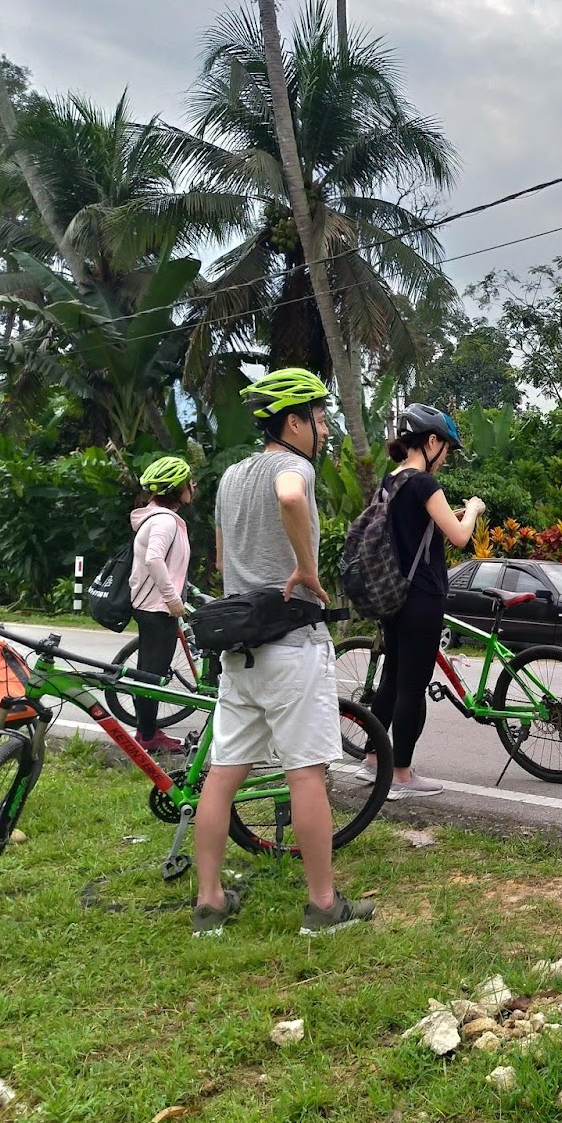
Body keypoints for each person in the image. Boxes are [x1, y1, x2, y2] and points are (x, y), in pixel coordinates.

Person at [191, 366, 374, 937]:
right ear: (293, 423)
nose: (323, 431)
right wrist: (306, 567)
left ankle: (210, 900)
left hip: (240, 648)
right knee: (307, 773)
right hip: (292, 647)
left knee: (222, 775)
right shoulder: (292, 466)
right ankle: (323, 905)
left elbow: (222, 562)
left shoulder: (229, 476)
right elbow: (292, 496)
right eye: (318, 420)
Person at [366, 403, 485, 800]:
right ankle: (400, 773)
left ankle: (372, 759)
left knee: (392, 678)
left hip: (391, 595)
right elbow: (460, 538)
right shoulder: (425, 484)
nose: (446, 456)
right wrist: (472, 510)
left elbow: (410, 528)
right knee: (412, 686)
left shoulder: (391, 481)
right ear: (431, 441)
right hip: (422, 596)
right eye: (446, 447)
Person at [128, 456, 195, 755]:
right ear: (175, 488)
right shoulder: (165, 521)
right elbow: (154, 559)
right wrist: (172, 598)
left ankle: (147, 730)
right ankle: (147, 735)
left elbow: (167, 562)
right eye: (187, 482)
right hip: (157, 608)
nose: (192, 486)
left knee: (149, 671)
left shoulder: (159, 518)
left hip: (153, 605)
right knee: (152, 675)